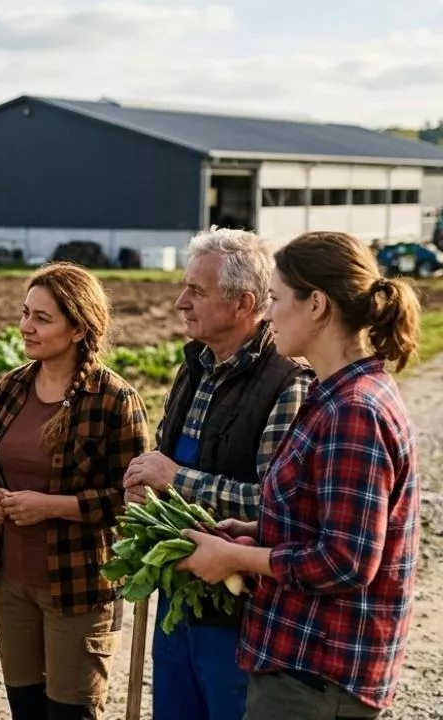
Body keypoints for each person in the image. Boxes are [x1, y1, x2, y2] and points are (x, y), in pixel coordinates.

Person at [180, 230, 421, 720]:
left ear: (316, 305)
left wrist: (234, 557)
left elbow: (347, 561)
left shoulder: (354, 411)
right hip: (300, 661)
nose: (267, 315)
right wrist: (256, 531)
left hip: (319, 672)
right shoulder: (332, 395)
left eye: (275, 299)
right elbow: (322, 521)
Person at [121, 228, 313, 720]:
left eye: (197, 291)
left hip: (240, 605)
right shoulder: (194, 367)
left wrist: (176, 480)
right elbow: (169, 462)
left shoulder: (287, 383)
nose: (181, 302)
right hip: (180, 585)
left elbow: (276, 505)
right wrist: (147, 490)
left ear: (243, 303)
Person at [0, 262, 149, 720]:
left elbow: (134, 501)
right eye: (25, 313)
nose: (25, 326)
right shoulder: (13, 386)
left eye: (42, 318)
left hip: (78, 586)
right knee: (25, 709)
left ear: (78, 329)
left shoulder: (115, 400)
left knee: (71, 714)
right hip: (11, 580)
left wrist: (53, 506)